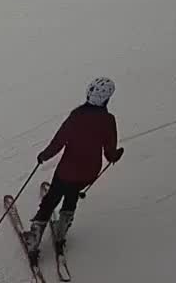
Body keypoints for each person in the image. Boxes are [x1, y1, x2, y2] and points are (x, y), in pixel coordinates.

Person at [26, 77, 123, 258]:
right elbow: (109, 152)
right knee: (71, 197)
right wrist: (115, 155)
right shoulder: (109, 120)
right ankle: (61, 231)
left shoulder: (77, 116)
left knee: (51, 199)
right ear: (107, 99)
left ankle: (35, 236)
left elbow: (59, 141)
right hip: (88, 172)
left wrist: (44, 156)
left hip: (66, 171)